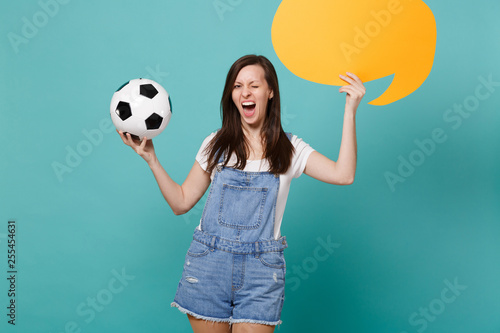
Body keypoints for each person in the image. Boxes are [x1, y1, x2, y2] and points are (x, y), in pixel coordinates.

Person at [117, 54, 365, 333]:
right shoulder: (215, 144)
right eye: (237, 86)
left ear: (270, 92)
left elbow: (344, 174)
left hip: (261, 272)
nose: (245, 92)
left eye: (254, 85)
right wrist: (152, 159)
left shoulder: (289, 148)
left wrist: (350, 110)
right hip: (209, 264)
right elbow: (181, 202)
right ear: (231, 95)